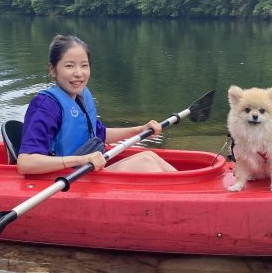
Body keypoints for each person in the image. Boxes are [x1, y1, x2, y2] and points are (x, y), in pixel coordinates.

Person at [16, 34, 176, 175]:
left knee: (149, 156)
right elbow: (26, 163)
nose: (79, 73)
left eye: (84, 65)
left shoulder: (80, 98)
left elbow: (100, 134)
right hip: (64, 180)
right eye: (69, 66)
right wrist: (80, 159)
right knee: (146, 163)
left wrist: (140, 129)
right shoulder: (45, 106)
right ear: (53, 70)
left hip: (85, 170)